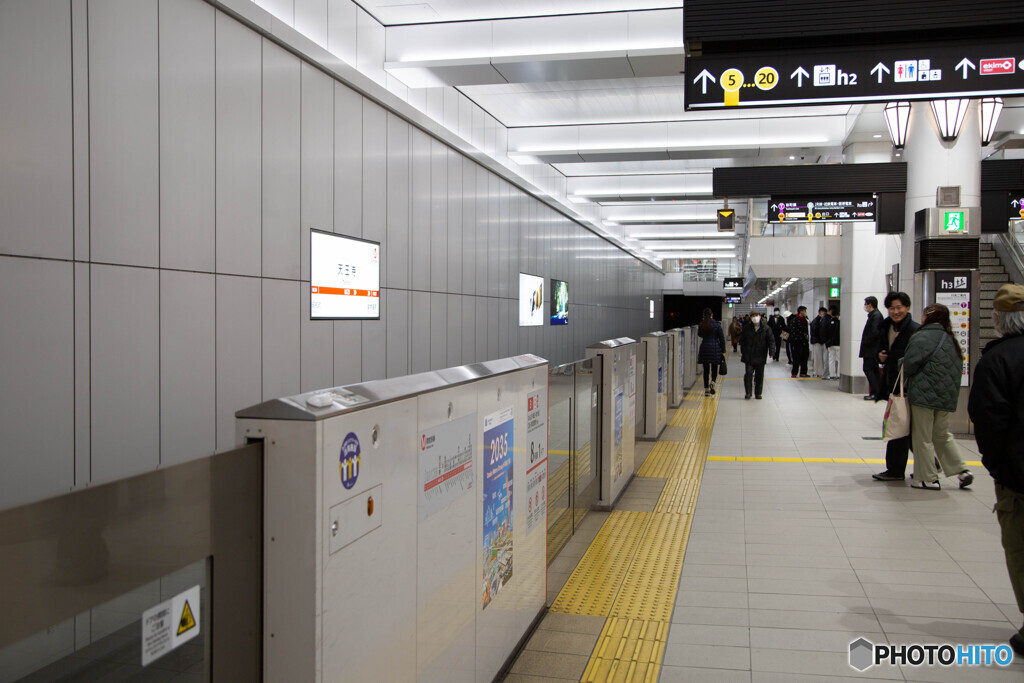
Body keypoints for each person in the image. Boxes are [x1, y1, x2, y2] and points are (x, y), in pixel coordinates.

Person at [968, 283, 1024, 655]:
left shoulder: (997, 359)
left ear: (999, 320)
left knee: (1020, 550)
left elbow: (987, 420)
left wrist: (999, 467)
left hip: (1019, 477)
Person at [902, 303, 972, 489]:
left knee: (922, 437)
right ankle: (962, 470)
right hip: (945, 396)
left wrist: (900, 361)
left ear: (927, 317)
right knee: (942, 434)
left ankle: (928, 478)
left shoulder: (921, 336)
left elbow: (909, 365)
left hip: (924, 395)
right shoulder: (950, 339)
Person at [872, 292, 920, 481]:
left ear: (907, 308)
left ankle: (922, 464)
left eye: (899, 307)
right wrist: (880, 356)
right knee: (899, 428)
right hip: (894, 385)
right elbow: (879, 350)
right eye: (892, 308)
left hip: (908, 387)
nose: (895, 311)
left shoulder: (915, 330)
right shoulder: (885, 327)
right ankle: (903, 468)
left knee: (903, 429)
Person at [740, 310, 776, 400]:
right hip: (749, 356)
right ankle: (748, 392)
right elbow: (742, 341)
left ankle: (758, 393)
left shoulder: (766, 329)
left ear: (760, 316)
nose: (755, 317)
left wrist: (771, 352)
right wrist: (743, 351)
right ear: (750, 317)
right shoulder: (746, 328)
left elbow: (771, 341)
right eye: (753, 315)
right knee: (748, 374)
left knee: (759, 375)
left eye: (756, 315)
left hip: (761, 355)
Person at [697, 308, 726, 397]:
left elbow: (700, 335)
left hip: (705, 347)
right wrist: (723, 351)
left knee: (706, 370)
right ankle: (713, 382)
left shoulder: (701, 324)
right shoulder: (717, 325)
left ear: (703, 315)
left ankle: (706, 390)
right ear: (711, 315)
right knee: (714, 367)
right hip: (715, 348)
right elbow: (721, 338)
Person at [860, 296, 884, 400]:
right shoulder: (874, 315)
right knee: (873, 370)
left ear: (870, 305)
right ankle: (877, 392)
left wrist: (867, 342)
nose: (865, 306)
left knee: (868, 369)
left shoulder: (876, 315)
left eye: (866, 304)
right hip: (871, 349)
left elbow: (875, 333)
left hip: (871, 349)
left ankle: (875, 392)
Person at [787, 306, 811, 378]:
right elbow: (791, 331)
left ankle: (803, 372)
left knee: (805, 357)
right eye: (804, 311)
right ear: (800, 311)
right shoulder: (794, 320)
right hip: (797, 342)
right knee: (796, 358)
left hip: (805, 342)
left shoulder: (805, 320)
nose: (805, 312)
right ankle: (794, 372)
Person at [822, 307, 841, 380]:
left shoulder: (828, 322)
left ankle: (832, 375)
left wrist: (827, 343)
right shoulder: (840, 323)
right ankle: (839, 374)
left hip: (830, 344)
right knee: (839, 360)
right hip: (838, 344)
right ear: (838, 314)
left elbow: (825, 333)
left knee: (831, 360)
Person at [810, 307, 827, 377]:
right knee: (818, 357)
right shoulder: (816, 321)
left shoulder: (821, 320)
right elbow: (816, 331)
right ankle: (817, 372)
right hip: (817, 342)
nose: (824, 314)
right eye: (824, 313)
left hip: (820, 341)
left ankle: (820, 371)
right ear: (820, 313)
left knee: (821, 357)